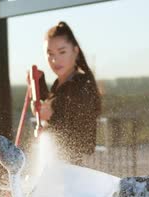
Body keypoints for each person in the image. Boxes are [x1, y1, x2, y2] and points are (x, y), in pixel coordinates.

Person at [32, 21, 102, 165]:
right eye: (50, 54)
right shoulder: (61, 83)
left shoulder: (82, 85)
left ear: (75, 51)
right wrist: (38, 83)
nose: (55, 59)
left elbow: (82, 139)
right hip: (59, 166)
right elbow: (58, 105)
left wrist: (51, 116)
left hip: (76, 170)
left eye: (62, 52)